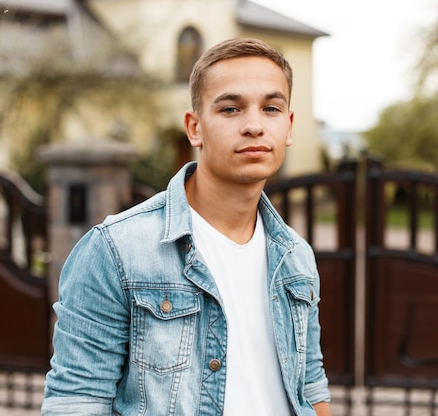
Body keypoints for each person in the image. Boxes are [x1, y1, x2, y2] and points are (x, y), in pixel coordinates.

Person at [41, 37, 332, 416]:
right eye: (231, 109)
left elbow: (310, 387)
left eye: (271, 108)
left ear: (289, 126)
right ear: (194, 128)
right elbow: (76, 403)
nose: (255, 125)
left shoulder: (296, 257)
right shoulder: (117, 250)